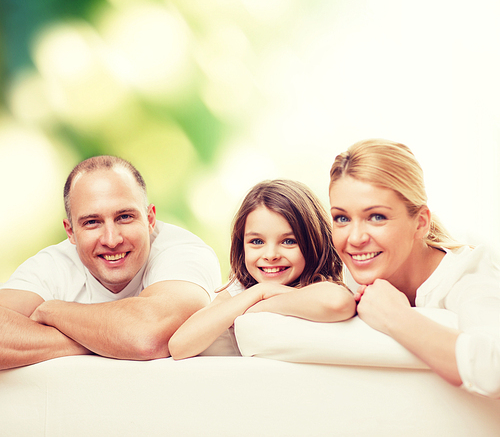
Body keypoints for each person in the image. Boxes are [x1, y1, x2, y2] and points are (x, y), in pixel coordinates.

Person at [0, 155, 221, 370]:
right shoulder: (53, 265)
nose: (112, 239)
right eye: (92, 222)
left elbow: (146, 337)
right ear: (71, 232)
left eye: (124, 217)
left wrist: (52, 311)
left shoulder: (185, 253)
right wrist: (106, 340)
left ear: (150, 219)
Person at [328, 138, 500, 398]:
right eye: (342, 218)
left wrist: (395, 317)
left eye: (376, 217)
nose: (354, 238)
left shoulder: (469, 276)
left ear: (420, 222)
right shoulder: (348, 269)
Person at [169, 179, 356, 360]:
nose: (270, 255)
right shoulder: (239, 292)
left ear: (314, 241)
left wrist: (264, 300)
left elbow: (339, 302)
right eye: (257, 242)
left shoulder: (321, 285)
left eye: (288, 241)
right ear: (242, 245)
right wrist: (259, 291)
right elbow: (179, 346)